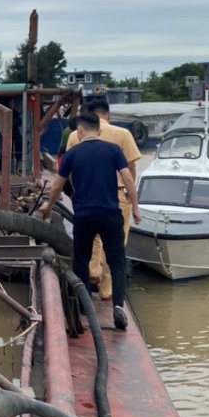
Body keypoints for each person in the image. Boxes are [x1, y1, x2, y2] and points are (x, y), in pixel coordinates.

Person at [39, 110, 141, 330]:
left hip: (84, 215)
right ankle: (117, 307)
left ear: (81, 130)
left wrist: (48, 206)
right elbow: (128, 180)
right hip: (111, 214)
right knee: (116, 261)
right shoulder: (114, 150)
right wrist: (136, 209)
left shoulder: (73, 154)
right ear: (99, 129)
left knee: (81, 260)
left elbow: (57, 185)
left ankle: (85, 307)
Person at [65, 99, 142, 300]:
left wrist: (76, 191)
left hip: (86, 195)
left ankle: (92, 272)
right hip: (116, 194)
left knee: (91, 240)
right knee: (115, 245)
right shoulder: (123, 134)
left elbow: (68, 170)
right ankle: (108, 290)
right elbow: (131, 169)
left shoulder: (75, 136)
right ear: (107, 115)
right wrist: (131, 198)